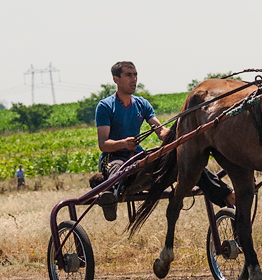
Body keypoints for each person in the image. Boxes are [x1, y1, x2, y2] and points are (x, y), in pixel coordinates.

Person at [95, 61, 234, 221]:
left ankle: (227, 195)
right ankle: (109, 198)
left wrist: (183, 136)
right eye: (128, 75)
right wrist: (124, 143)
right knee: (118, 169)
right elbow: (103, 143)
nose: (134, 79)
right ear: (116, 79)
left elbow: (161, 131)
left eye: (135, 75)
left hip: (137, 156)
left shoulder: (142, 104)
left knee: (187, 161)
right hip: (113, 158)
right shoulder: (105, 106)